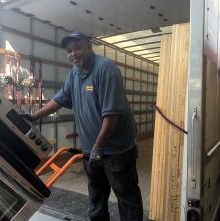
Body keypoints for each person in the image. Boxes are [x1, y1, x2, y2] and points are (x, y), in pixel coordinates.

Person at [22, 32, 143, 221]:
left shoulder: (106, 70)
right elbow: (59, 99)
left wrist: (99, 147)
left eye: (77, 48)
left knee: (126, 196)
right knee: (96, 196)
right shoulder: (74, 73)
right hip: (91, 149)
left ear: (89, 46)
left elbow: (112, 115)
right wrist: (34, 116)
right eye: (69, 51)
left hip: (116, 150)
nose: (73, 54)